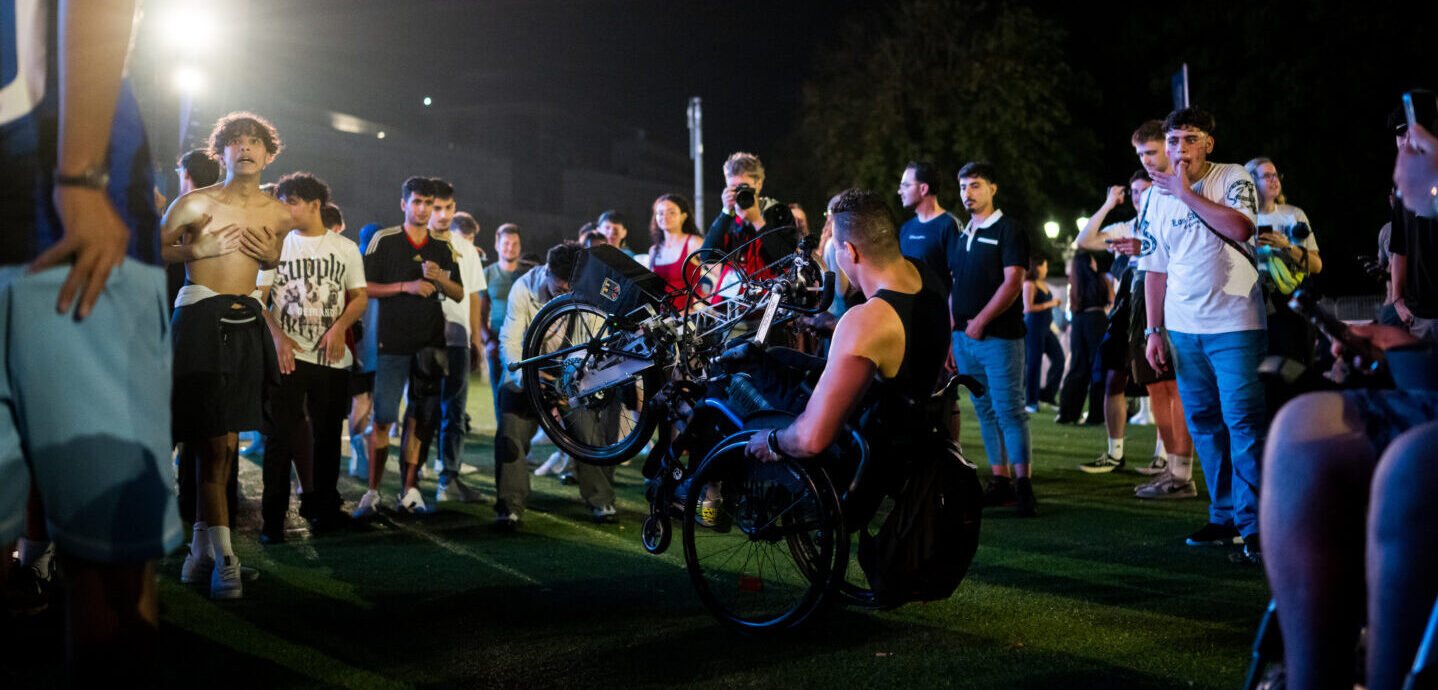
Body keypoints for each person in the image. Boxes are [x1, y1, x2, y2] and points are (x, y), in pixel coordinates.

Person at [0, 0, 182, 675]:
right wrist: (80, 174)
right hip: (55, 197)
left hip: (55, 202)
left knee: (108, 551)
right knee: (108, 556)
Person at [744, 188, 949, 488]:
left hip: (860, 458)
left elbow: (811, 439)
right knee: (780, 357)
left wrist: (772, 441)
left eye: (836, 249)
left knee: (746, 367)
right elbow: (895, 337)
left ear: (850, 252)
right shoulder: (926, 277)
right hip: (911, 429)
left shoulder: (866, 321)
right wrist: (836, 324)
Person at [162, 111, 287, 598]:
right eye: (235, 142)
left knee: (225, 444)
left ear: (270, 153)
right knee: (211, 444)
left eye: (255, 141)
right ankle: (226, 561)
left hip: (247, 319)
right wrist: (196, 250)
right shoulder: (195, 201)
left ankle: (199, 557)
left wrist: (273, 258)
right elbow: (154, 245)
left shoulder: (278, 212)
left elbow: (271, 262)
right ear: (222, 153)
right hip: (199, 318)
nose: (246, 149)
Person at [1142, 107, 1266, 558]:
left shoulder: (1233, 177)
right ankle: (1224, 517)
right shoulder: (1155, 196)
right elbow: (1154, 268)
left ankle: (1254, 526)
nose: (1179, 150)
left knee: (1244, 424)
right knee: (1205, 425)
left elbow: (1241, 227)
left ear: (1208, 144)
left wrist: (1186, 192)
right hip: (1181, 328)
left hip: (1236, 322)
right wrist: (1153, 329)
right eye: (1173, 141)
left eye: (1190, 139)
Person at [257, 172, 367, 542]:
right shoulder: (276, 245)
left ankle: (322, 511)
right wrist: (278, 338)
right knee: (279, 438)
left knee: (327, 438)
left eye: (291, 202)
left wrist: (339, 329)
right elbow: (257, 297)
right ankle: (272, 520)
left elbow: (360, 297)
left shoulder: (345, 248)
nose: (285, 210)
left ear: (314, 205)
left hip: (331, 358)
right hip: (288, 357)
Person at [355, 176, 464, 517]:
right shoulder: (383, 240)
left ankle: (410, 490)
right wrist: (407, 285)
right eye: (416, 202)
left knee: (420, 418)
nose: (422, 209)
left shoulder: (442, 247)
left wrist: (440, 278)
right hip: (391, 344)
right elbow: (362, 287)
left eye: (428, 203)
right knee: (384, 417)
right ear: (404, 204)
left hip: (430, 345)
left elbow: (458, 293)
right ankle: (372, 491)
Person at [494, 242, 619, 527]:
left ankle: (602, 500)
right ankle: (509, 506)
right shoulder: (523, 287)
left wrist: (570, 383)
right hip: (528, 367)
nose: (566, 295)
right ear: (546, 271)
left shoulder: (588, 288)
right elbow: (510, 341)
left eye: (570, 289)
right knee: (510, 433)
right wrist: (524, 378)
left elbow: (590, 343)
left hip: (571, 370)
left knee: (588, 433)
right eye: (559, 289)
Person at [948, 162, 1035, 517]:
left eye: (975, 186)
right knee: (984, 411)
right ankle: (1000, 482)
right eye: (963, 187)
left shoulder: (1009, 229)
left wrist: (981, 321)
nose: (968, 193)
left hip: (999, 337)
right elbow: (955, 284)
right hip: (965, 339)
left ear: (992, 188)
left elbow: (1013, 282)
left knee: (1010, 410)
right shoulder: (962, 234)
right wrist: (955, 330)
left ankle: (1024, 486)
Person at [417, 179, 486, 504]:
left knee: (454, 412)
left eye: (448, 208)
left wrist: (475, 339)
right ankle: (411, 479)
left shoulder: (466, 247)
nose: (442, 215)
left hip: (457, 338)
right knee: (422, 410)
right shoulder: (415, 241)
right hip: (423, 337)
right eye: (437, 208)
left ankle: (449, 479)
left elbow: (473, 295)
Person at [1247, 156, 1324, 371]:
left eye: (1276, 175)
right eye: (1267, 176)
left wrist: (1286, 246)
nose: (1275, 180)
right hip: (1254, 304)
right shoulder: (1242, 219)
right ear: (1251, 182)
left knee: (1294, 368)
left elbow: (1317, 266)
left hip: (1290, 305)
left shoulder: (1293, 215)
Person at [1387, 92, 1438, 342]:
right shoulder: (1402, 189)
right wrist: (1397, 299)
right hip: (1422, 315)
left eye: (1413, 132)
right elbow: (1400, 248)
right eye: (1400, 133)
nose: (1406, 139)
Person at [702, 151, 798, 279]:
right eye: (733, 188)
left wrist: (758, 221)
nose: (738, 193)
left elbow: (788, 258)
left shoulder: (778, 211)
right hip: (737, 294)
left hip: (771, 291)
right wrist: (725, 212)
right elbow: (707, 257)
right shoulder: (728, 216)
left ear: (758, 184)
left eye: (743, 186)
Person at [1056, 251, 1112, 424]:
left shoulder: (1075, 282)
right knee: (1099, 367)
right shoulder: (1100, 278)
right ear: (1090, 263)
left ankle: (1067, 413)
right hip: (1096, 320)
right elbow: (1112, 299)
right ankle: (1096, 415)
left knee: (1078, 366)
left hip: (1079, 322)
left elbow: (1072, 305)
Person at [479, 224, 529, 410]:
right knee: (499, 393)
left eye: (515, 243)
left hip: (522, 343)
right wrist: (488, 340)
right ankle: (503, 434)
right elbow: (481, 313)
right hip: (497, 341)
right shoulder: (488, 273)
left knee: (520, 392)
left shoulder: (525, 274)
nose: (510, 247)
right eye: (506, 243)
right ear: (497, 245)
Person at [897, 160, 961, 294]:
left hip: (939, 312)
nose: (899, 191)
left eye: (905, 186)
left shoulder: (948, 225)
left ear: (923, 189)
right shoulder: (906, 228)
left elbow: (959, 276)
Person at [648, 193, 704, 308]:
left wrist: (707, 305)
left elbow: (720, 274)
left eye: (671, 212)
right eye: (660, 213)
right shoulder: (654, 250)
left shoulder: (694, 243)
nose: (665, 217)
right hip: (659, 319)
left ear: (683, 216)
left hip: (685, 319)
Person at [1022, 256, 1063, 412]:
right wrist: (1050, 303)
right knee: (1034, 363)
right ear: (1038, 267)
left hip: (1046, 327)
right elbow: (1028, 308)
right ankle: (1031, 401)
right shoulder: (1029, 284)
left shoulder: (1043, 284)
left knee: (1059, 359)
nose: (1046, 269)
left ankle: (1047, 395)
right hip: (1033, 327)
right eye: (1044, 266)